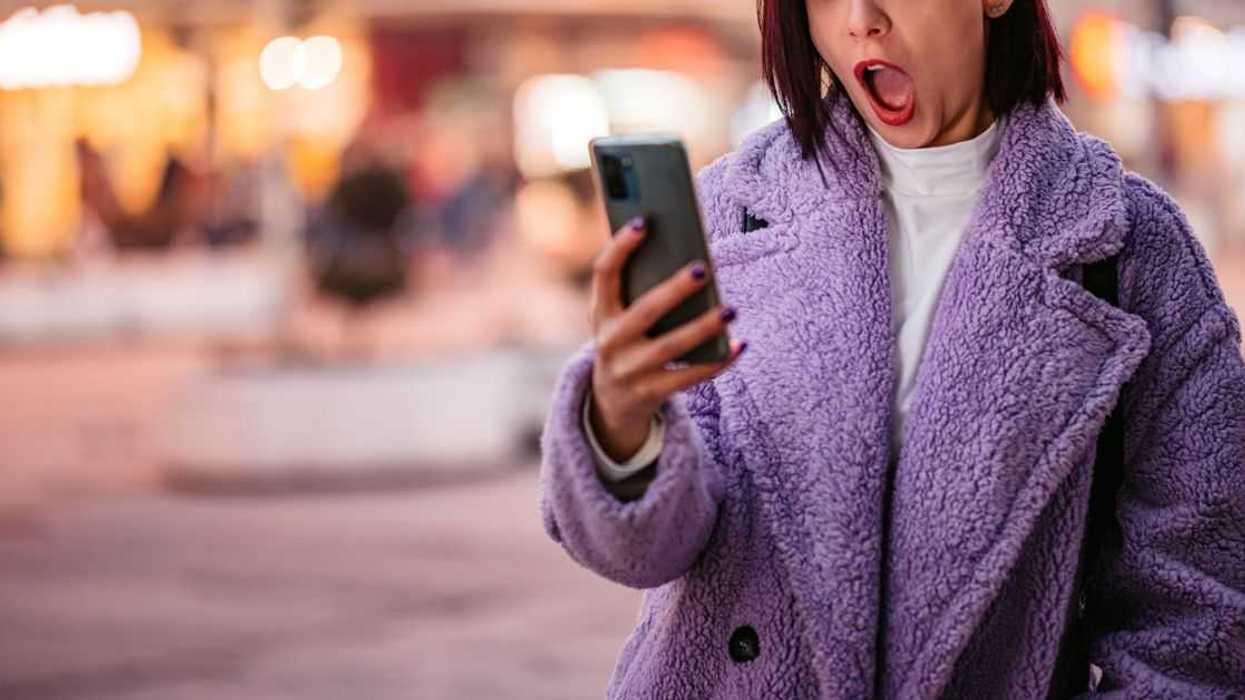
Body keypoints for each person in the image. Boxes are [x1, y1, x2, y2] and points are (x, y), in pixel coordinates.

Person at [537, 0, 1245, 697]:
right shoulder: (728, 210)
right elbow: (645, 550)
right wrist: (622, 425)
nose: (858, 19)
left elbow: (1198, 619)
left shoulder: (1128, 250)